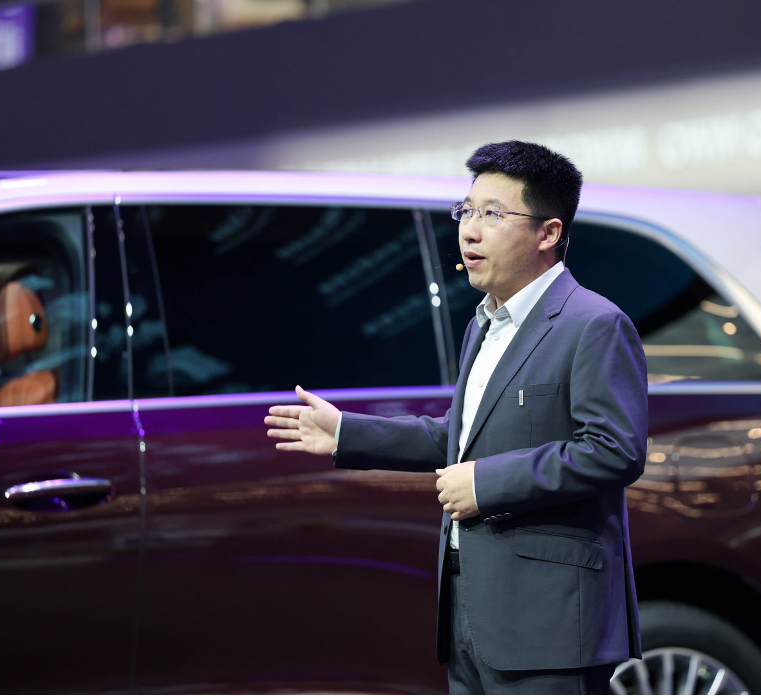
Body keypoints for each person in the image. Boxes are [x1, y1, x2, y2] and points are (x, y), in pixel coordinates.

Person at [265, 141, 648, 695]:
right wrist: (348, 431)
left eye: (492, 214)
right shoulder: (483, 323)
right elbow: (461, 438)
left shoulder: (593, 323)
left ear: (548, 232)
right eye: (466, 211)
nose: (469, 231)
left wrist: (487, 483)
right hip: (472, 608)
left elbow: (614, 450)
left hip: (551, 620)